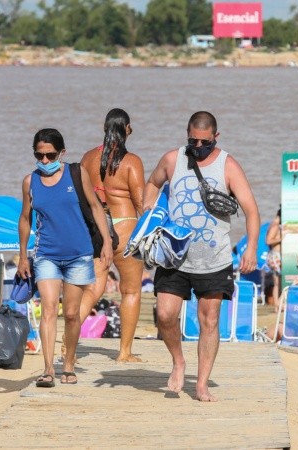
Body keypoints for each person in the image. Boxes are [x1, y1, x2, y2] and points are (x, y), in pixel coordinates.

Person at [142, 111, 260, 402]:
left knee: (209, 321)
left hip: (214, 259)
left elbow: (251, 210)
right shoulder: (173, 159)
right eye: (192, 140)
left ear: (216, 137)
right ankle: (178, 361)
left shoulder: (228, 165)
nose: (198, 146)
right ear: (187, 133)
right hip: (174, 255)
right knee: (166, 314)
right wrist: (148, 210)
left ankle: (202, 383)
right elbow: (153, 183)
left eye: (204, 142)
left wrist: (252, 248)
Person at [17, 128, 112, 387]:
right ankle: (48, 369)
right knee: (49, 309)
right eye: (39, 155)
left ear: (62, 153)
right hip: (46, 254)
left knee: (71, 314)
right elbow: (25, 219)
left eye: (50, 155)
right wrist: (23, 256)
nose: (45, 161)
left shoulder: (76, 173)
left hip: (79, 255)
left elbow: (95, 207)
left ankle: (68, 363)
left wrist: (106, 242)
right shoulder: (30, 182)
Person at [75, 108, 146, 362]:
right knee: (130, 291)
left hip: (97, 229)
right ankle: (124, 352)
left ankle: (68, 343)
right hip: (125, 229)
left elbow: (81, 199)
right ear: (126, 129)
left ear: (105, 128)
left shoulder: (87, 159)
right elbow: (140, 203)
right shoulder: (131, 162)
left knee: (93, 288)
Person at [264, 208, 282, 303]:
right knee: (277, 282)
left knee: (278, 281)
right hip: (275, 255)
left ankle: (278, 303)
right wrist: (281, 239)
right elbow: (268, 240)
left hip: (275, 255)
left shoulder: (276, 225)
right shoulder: (275, 225)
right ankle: (276, 304)